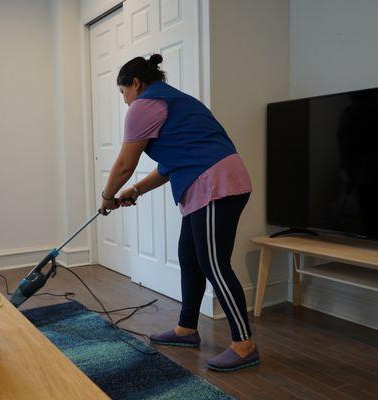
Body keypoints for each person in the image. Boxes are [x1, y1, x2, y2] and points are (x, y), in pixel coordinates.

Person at [99, 54, 258, 372]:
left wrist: (106, 197)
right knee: (189, 256)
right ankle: (187, 329)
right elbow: (170, 164)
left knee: (214, 263)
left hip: (215, 184)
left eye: (123, 93)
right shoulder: (173, 102)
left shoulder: (144, 105)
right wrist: (135, 191)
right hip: (209, 183)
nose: (125, 101)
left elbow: (124, 164)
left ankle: (244, 345)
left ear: (135, 84)